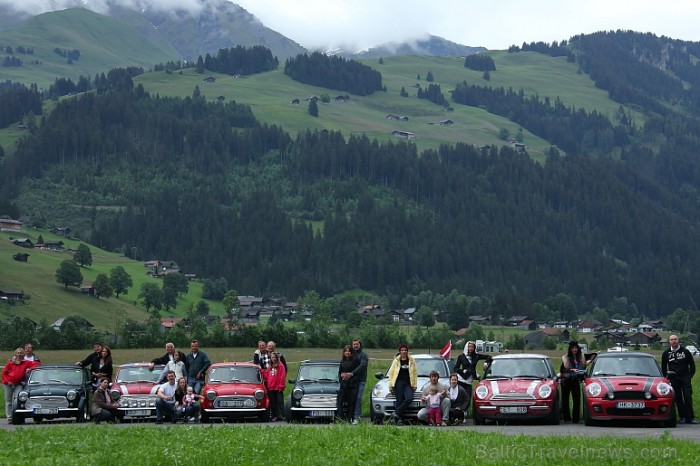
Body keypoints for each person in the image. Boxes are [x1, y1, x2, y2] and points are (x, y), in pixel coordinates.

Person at [662, 334, 698, 424]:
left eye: (675, 339)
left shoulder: (685, 351)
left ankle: (691, 417)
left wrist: (689, 376)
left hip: (685, 377)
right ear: (669, 341)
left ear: (678, 340)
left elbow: (692, 366)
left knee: (687, 396)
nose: (674, 341)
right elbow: (663, 368)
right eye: (672, 339)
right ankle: (683, 417)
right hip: (673, 378)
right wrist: (666, 378)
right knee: (678, 398)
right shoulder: (666, 353)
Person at [3, 348, 40, 424]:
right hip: (9, 383)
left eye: (21, 353)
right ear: (15, 354)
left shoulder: (25, 363)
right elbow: (4, 373)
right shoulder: (10, 363)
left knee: (18, 399)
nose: (19, 354)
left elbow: (37, 364)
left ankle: (18, 416)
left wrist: (30, 369)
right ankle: (9, 417)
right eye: (18, 353)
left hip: (18, 384)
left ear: (23, 354)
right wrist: (7, 381)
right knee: (9, 401)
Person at [387, 344, 417, 425]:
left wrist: (414, 385)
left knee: (409, 399)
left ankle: (395, 413)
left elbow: (414, 373)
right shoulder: (396, 361)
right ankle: (398, 420)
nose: (404, 351)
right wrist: (390, 385)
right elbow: (391, 373)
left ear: (407, 351)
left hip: (408, 383)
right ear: (399, 351)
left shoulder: (411, 360)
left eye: (405, 350)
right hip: (398, 383)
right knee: (399, 401)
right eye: (402, 350)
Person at [341, 338, 368, 424]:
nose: (355, 346)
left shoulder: (363, 355)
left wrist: (352, 373)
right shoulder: (350, 355)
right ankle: (349, 416)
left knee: (358, 398)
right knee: (350, 399)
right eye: (354, 344)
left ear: (360, 345)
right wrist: (343, 374)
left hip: (360, 380)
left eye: (357, 344)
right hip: (350, 381)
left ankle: (357, 417)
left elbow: (362, 365)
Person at [560, 340, 587, 424]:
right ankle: (567, 418)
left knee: (577, 400)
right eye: (573, 348)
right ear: (570, 349)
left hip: (575, 380)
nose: (574, 350)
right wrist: (571, 370)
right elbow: (562, 369)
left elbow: (583, 368)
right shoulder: (566, 357)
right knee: (565, 400)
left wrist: (586, 363)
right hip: (566, 380)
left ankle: (576, 419)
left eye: (576, 348)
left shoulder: (581, 357)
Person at [336, 345, 361, 422]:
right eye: (346, 351)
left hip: (352, 385)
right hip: (343, 385)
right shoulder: (342, 361)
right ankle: (340, 418)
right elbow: (339, 372)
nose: (347, 352)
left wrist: (349, 375)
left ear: (351, 352)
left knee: (351, 402)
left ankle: (350, 418)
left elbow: (357, 373)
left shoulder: (355, 361)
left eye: (349, 351)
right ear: (343, 352)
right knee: (340, 401)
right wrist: (341, 376)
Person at [263, 352, 287, 422]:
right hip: (271, 387)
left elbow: (282, 376)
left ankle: (284, 415)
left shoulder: (281, 366)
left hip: (278, 388)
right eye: (272, 357)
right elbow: (266, 375)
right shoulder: (270, 367)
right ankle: (275, 416)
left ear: (277, 358)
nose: (273, 359)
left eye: (274, 357)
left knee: (280, 402)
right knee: (272, 402)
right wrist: (261, 371)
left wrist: (281, 386)